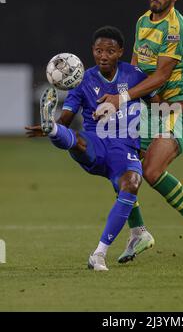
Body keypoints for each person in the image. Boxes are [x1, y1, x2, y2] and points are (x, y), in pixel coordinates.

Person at [96, 0, 183, 265]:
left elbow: (162, 75)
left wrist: (122, 97)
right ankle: (138, 232)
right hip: (153, 105)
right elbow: (137, 69)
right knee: (121, 165)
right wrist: (124, 95)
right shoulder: (142, 21)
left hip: (180, 106)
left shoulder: (175, 28)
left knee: (150, 171)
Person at [25, 26, 156, 271]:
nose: (103, 55)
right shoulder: (83, 80)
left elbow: (157, 102)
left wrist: (181, 108)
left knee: (131, 184)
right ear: (92, 52)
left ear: (120, 52)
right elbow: (66, 118)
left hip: (126, 147)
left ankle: (99, 254)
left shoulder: (134, 75)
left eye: (109, 50)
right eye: (98, 50)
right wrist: (52, 127)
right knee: (77, 140)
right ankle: (51, 129)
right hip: (96, 142)